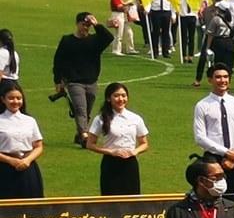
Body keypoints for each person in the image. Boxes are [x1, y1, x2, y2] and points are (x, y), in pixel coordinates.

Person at [52, 10, 114, 146]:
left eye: (88, 25)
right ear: (77, 24)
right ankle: (85, 137)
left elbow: (109, 38)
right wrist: (58, 80)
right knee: (80, 109)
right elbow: (58, 61)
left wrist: (97, 25)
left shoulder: (94, 41)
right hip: (74, 82)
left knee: (87, 110)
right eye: (83, 24)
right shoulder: (67, 40)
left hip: (91, 80)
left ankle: (79, 134)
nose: (86, 28)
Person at [193, 63, 234, 198]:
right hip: (213, 157)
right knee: (211, 195)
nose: (222, 80)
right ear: (210, 80)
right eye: (218, 77)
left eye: (225, 77)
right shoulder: (202, 106)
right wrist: (226, 152)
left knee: (231, 195)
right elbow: (200, 137)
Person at [85, 83, 149, 196]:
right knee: (110, 200)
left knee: (131, 199)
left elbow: (144, 143)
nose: (121, 99)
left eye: (124, 96)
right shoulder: (100, 119)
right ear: (108, 98)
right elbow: (90, 144)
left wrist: (134, 151)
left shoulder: (135, 118)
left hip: (130, 164)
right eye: (116, 96)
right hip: (110, 164)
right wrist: (111, 152)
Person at [0, 81, 46, 201]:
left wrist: (27, 160)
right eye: (11, 98)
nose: (15, 101)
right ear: (3, 100)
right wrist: (11, 161)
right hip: (4, 168)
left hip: (28, 168)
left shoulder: (29, 120)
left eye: (18, 98)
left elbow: (38, 146)